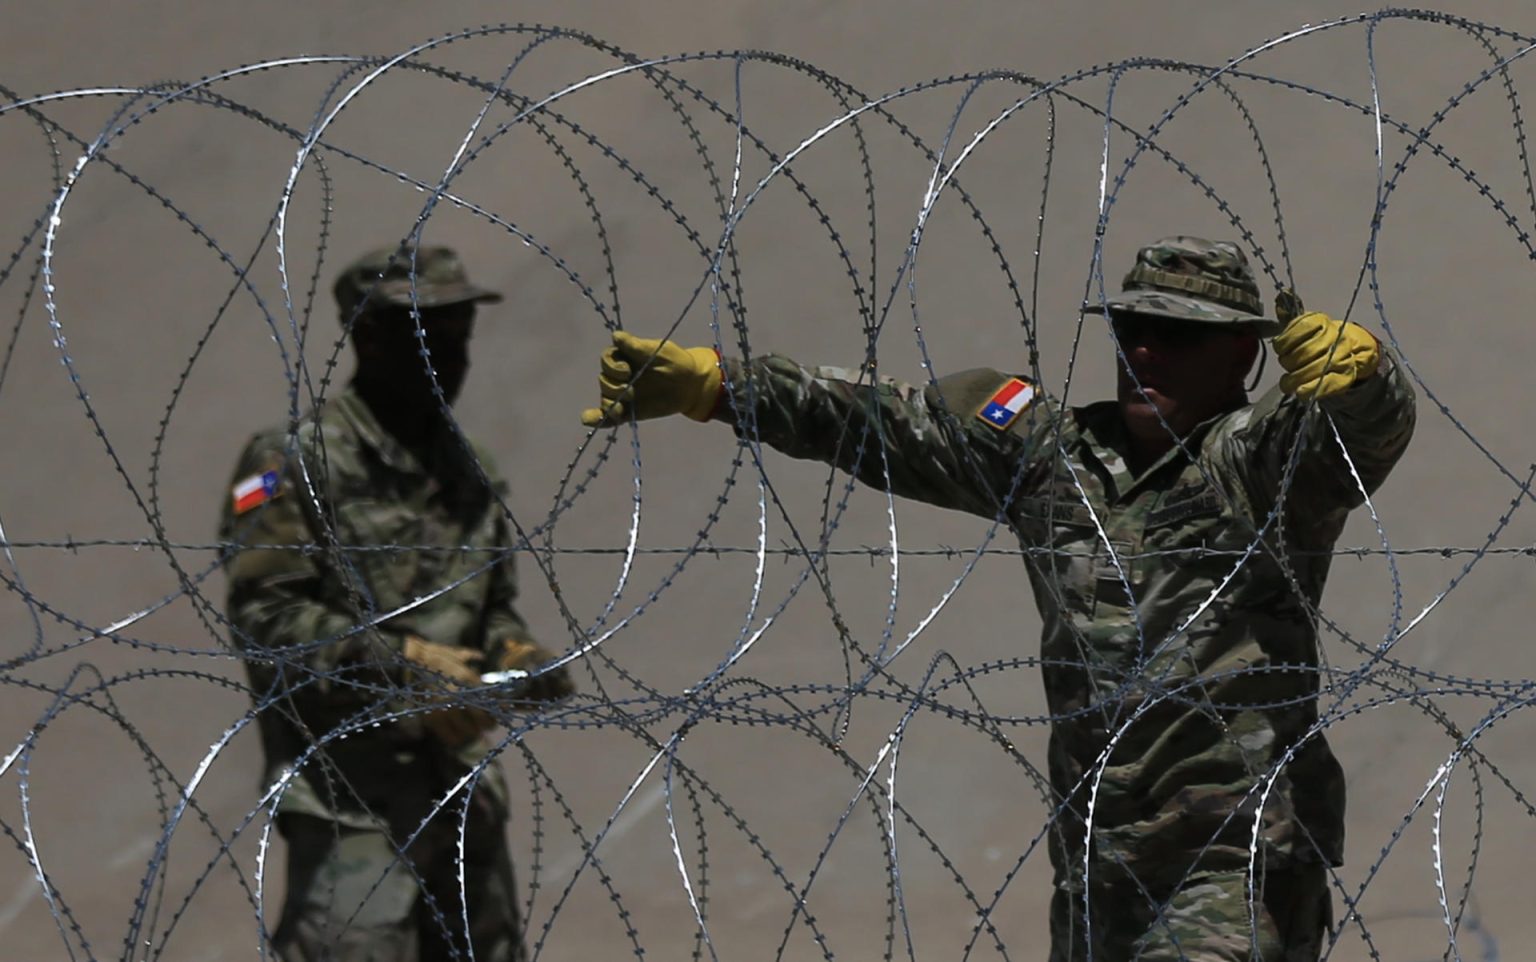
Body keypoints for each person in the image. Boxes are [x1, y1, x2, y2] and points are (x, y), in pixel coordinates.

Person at [579, 236, 1415, 961]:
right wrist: (719, 387)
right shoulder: (1057, 458)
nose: (1145, 353)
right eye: (1132, 330)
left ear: (1241, 355)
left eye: (1176, 335)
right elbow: (884, 422)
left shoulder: (1262, 464)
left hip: (1236, 861)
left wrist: (1366, 378)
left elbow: (1360, 435)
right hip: (1100, 859)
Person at [220, 243, 572, 962]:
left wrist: (516, 654)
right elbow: (267, 617)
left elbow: (492, 604)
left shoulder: (467, 470)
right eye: (427, 341)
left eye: (458, 340)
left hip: (462, 791)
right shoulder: (294, 463)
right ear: (370, 339)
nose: (449, 360)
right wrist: (403, 666)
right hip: (353, 809)